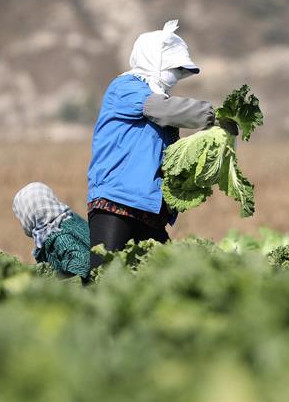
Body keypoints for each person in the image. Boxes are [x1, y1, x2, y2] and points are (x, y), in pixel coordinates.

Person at [86, 19, 237, 269]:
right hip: (116, 204)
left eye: (180, 72)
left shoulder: (161, 101)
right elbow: (161, 109)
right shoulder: (125, 89)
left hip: (150, 211)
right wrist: (215, 115)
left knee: (162, 280)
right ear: (153, 61)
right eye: (173, 69)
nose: (176, 77)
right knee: (101, 276)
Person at [12, 182, 90, 279]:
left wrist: (57, 281)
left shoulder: (59, 236)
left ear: (29, 215)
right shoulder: (67, 218)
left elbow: (81, 262)